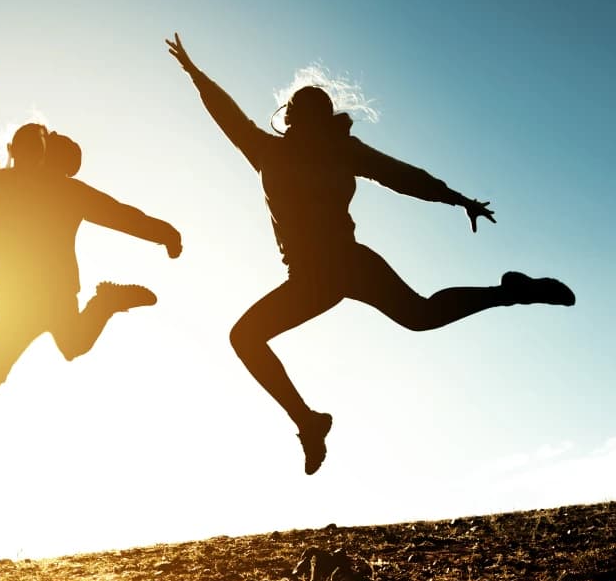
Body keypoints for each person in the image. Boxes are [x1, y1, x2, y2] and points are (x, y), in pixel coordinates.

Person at [165, 33, 574, 474]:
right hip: (318, 276)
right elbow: (226, 113)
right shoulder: (274, 150)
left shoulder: (325, 151)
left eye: (307, 113)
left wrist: (457, 199)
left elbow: (402, 176)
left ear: (309, 119)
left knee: (418, 316)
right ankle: (309, 422)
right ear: (291, 118)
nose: (300, 121)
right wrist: (194, 73)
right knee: (254, 336)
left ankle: (510, 292)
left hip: (341, 265)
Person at [0, 73, 182, 395]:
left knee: (66, 346)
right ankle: (107, 301)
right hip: (21, 301)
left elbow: (119, 215)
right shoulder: (20, 187)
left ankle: (107, 300)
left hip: (42, 298)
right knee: (58, 350)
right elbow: (121, 215)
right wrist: (166, 235)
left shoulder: (42, 190)